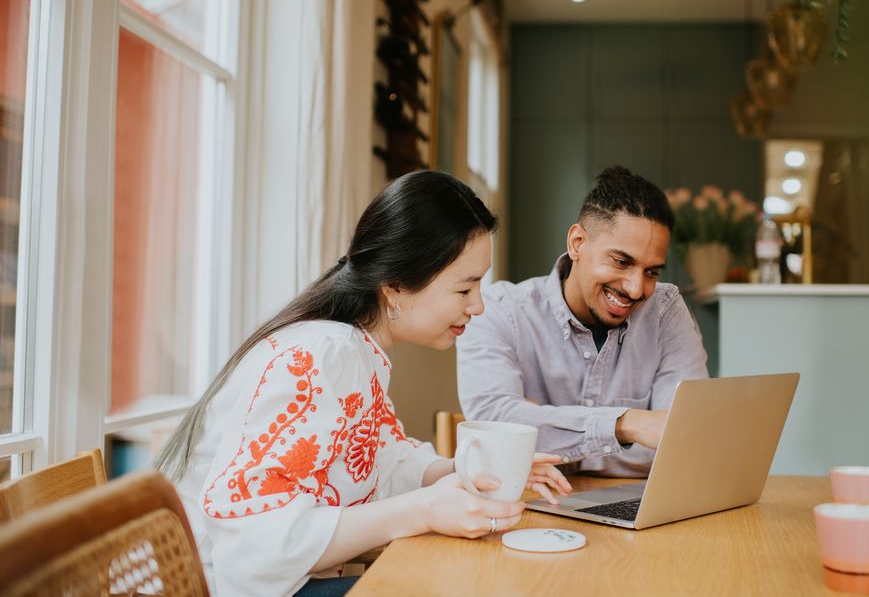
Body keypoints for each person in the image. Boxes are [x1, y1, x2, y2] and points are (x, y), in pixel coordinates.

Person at [155, 170, 571, 597]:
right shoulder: (321, 354)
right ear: (395, 287)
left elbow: (382, 462)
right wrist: (424, 510)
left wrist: (473, 471)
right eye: (465, 288)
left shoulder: (352, 351)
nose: (478, 305)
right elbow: (255, 543)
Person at [457, 166, 709, 478]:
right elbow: (495, 426)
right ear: (577, 243)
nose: (635, 288)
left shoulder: (665, 311)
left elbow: (685, 442)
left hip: (639, 513)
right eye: (621, 261)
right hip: (531, 509)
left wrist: (545, 429)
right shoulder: (499, 311)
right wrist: (627, 425)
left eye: (652, 272)